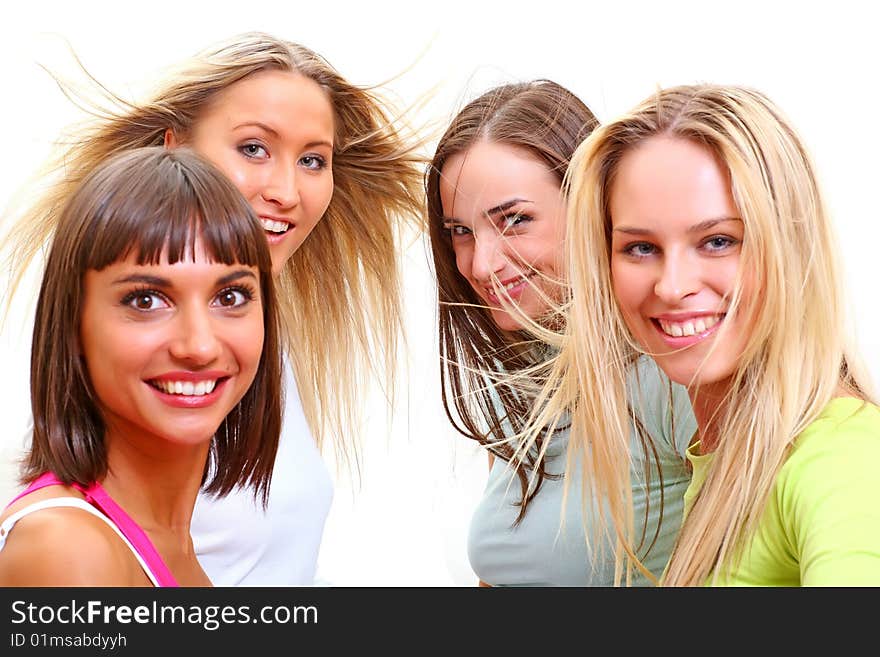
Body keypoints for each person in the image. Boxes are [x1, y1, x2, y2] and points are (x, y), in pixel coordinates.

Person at [0, 32, 424, 585]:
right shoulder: (72, 544)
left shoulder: (253, 343)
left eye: (314, 159)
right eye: (254, 148)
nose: (286, 191)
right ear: (172, 149)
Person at [534, 83, 880, 585]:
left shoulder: (842, 454)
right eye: (639, 248)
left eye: (718, 241)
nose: (672, 286)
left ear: (791, 245)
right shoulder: (721, 451)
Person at [425, 80, 696, 586]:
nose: (479, 264)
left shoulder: (672, 368)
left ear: (593, 208)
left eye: (514, 220)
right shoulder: (523, 375)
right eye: (460, 231)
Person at [0, 147, 282, 586]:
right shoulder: (69, 551)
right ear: (74, 324)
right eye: (146, 300)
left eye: (230, 297)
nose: (200, 345)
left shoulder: (173, 547)